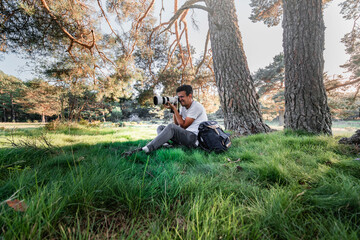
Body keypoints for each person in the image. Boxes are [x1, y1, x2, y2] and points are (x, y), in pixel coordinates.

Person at [122, 85, 208, 157]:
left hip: (194, 139)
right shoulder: (183, 107)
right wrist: (174, 109)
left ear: (190, 96)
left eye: (182, 97)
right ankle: (166, 145)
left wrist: (174, 109)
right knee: (161, 127)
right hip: (186, 136)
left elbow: (183, 125)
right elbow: (177, 123)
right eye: (178, 97)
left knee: (171, 127)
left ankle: (147, 149)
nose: (180, 99)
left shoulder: (196, 106)